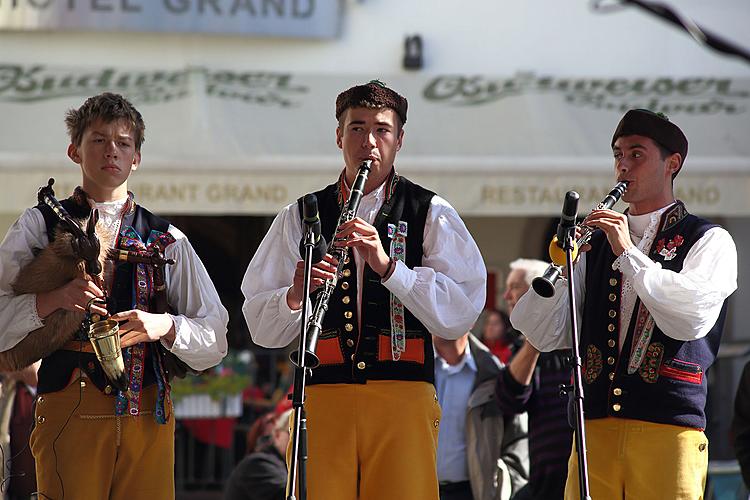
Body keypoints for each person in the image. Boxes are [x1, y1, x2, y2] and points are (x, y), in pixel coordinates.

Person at [242, 80, 486, 499]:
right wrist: (295, 295)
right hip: (323, 394)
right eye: (356, 128)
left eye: (381, 129)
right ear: (339, 136)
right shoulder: (301, 214)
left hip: (403, 396)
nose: (368, 141)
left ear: (399, 139)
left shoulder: (430, 211)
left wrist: (390, 267)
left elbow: (462, 308)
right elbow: (259, 324)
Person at [0, 92, 229, 499]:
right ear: (75, 150)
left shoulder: (166, 238)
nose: (112, 151)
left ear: (137, 157)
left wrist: (164, 326)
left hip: (151, 414)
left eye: (124, 143)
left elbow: (215, 337)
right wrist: (54, 299)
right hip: (71, 406)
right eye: (99, 140)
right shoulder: (38, 225)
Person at [511, 109, 738, 499]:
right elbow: (539, 331)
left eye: (637, 154)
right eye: (618, 155)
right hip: (593, 430)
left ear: (672, 163)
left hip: (667, 431)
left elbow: (690, 316)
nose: (623, 166)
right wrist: (563, 269)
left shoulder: (708, 239)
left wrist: (628, 252)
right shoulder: (596, 242)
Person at [494, 258, 572, 500]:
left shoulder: (577, 342)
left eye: (515, 287)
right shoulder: (523, 349)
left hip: (588, 475)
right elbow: (509, 399)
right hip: (544, 485)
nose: (507, 296)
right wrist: (536, 335)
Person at [433, 332, 528, 500]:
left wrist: (504, 484)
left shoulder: (493, 373)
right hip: (418, 488)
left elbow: (517, 440)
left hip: (473, 493)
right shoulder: (412, 373)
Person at [224, 409, 292, 500]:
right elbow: (286, 495)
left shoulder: (282, 464)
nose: (300, 441)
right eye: (292, 433)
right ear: (277, 434)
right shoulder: (258, 463)